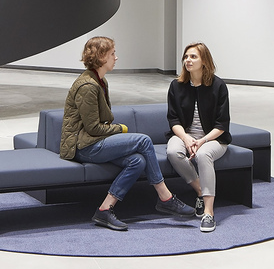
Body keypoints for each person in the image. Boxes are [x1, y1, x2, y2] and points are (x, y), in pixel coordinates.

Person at [61, 36, 197, 231]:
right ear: (101, 57)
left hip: (92, 142)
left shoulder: (99, 81)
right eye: (112, 54)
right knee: (143, 140)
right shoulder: (88, 86)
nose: (116, 57)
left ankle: (104, 210)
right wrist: (121, 129)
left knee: (137, 161)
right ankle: (165, 197)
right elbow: (93, 128)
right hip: (83, 146)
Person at [166, 43, 232, 233]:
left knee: (203, 155)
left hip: (213, 138)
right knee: (173, 151)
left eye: (193, 57)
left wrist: (202, 141)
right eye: (186, 57)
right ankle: (200, 191)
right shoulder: (176, 86)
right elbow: (173, 119)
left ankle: (209, 213)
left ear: (204, 61)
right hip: (185, 134)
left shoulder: (218, 86)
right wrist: (186, 139)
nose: (188, 60)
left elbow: (222, 124)